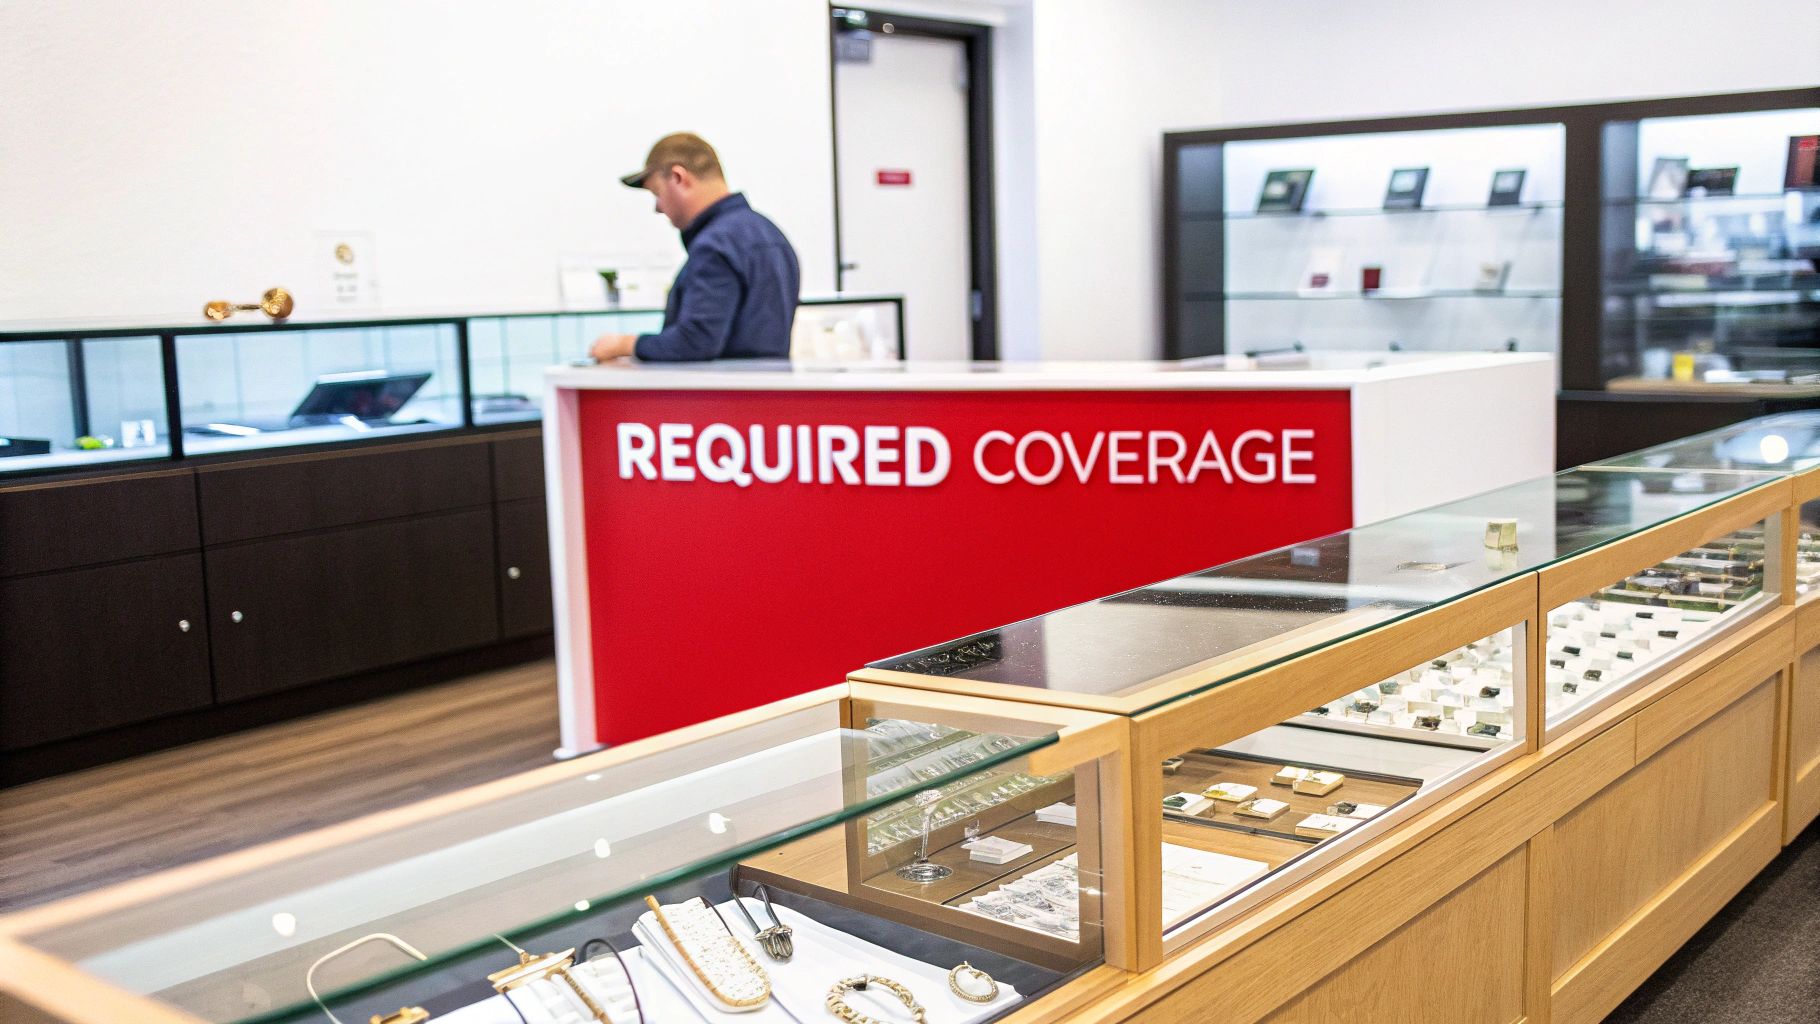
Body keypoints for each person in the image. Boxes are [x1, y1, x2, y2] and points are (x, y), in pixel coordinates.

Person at [589, 133, 801, 362]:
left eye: (657, 193)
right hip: (766, 392)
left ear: (678, 177)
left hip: (722, 394)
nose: (658, 208)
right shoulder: (772, 235)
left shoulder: (715, 245)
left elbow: (696, 342)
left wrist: (625, 344)